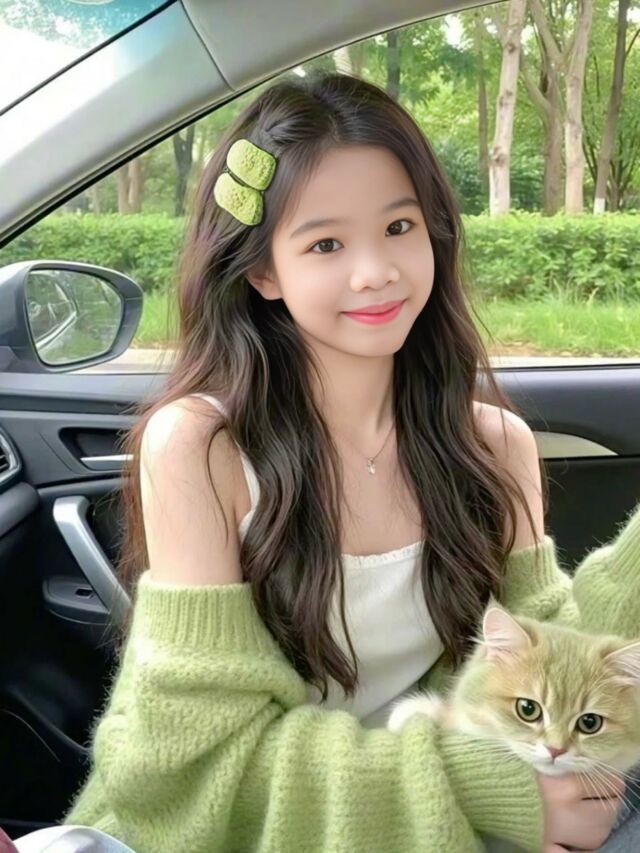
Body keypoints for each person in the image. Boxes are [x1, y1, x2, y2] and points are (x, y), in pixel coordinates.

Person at [51, 72, 640, 852]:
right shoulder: (200, 447)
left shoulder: (496, 445)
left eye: (399, 227)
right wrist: (482, 783)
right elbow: (200, 768)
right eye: (326, 243)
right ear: (264, 271)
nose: (375, 271)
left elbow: (549, 659)